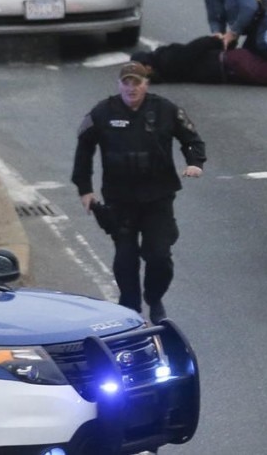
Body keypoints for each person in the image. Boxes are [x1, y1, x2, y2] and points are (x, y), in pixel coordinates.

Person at [71, 61, 206, 324]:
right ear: (119, 85)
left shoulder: (165, 109)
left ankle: (154, 298)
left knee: (159, 257)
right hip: (120, 199)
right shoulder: (103, 112)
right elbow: (84, 148)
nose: (131, 88)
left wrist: (195, 162)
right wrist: (84, 189)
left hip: (158, 198)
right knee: (125, 258)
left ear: (146, 84)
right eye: (126, 83)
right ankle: (130, 308)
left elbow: (191, 138)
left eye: (137, 83)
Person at [130, 35, 267, 86]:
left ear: (147, 65)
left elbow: (193, 50)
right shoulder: (163, 62)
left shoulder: (167, 59)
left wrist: (216, 41)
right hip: (231, 62)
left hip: (231, 65)